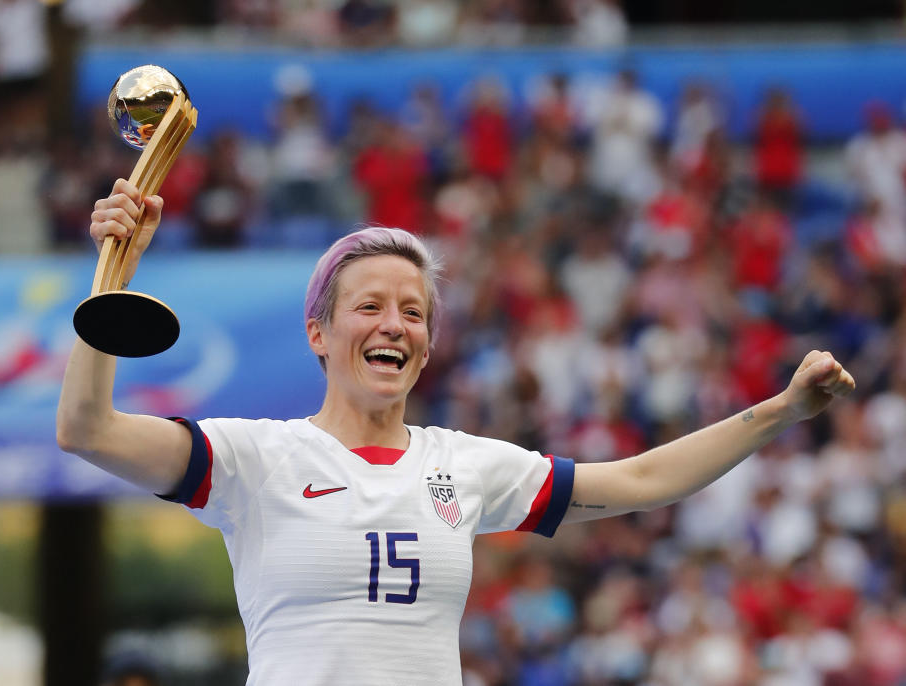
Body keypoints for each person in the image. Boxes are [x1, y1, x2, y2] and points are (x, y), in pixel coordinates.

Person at [58, 179, 856, 686]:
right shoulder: (251, 458)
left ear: (429, 347)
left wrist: (777, 412)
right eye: (368, 305)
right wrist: (113, 278)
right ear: (317, 333)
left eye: (413, 312)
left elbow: (638, 483)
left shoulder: (464, 465)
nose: (393, 324)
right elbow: (88, 429)